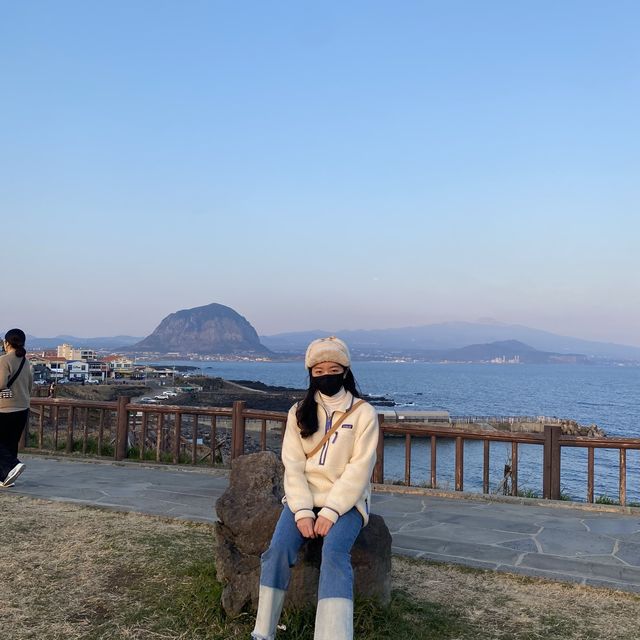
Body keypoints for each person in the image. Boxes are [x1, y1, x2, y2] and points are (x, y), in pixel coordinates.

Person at [252, 336, 379, 640]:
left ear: (345, 371)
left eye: (332, 369)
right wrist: (303, 511)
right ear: (310, 374)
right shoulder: (298, 412)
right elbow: (293, 466)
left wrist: (332, 511)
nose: (325, 376)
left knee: (335, 553)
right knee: (278, 550)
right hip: (302, 499)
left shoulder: (364, 414)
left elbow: (359, 470)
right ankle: (263, 631)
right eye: (318, 371)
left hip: (347, 503)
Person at [0, 329, 33, 487]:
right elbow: (29, 386)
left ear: (6, 343)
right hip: (23, 407)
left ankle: (12, 465)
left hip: (5, 408)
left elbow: (1, 385)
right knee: (10, 442)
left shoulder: (4, 360)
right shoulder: (26, 362)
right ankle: (5, 478)